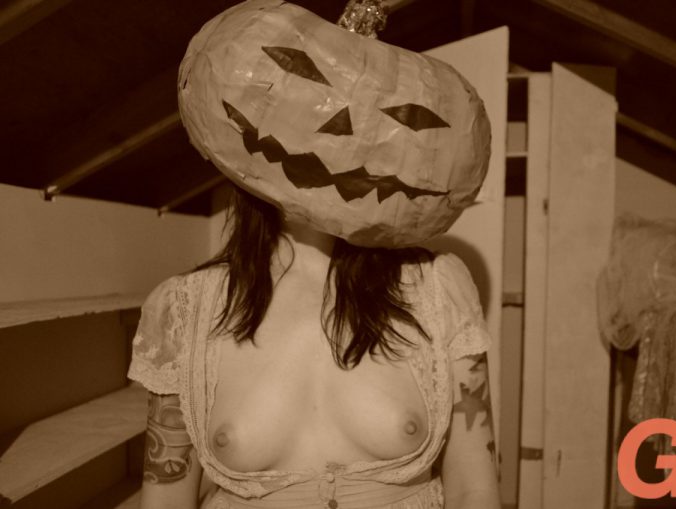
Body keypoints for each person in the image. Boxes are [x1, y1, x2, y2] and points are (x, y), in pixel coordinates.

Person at [128, 1, 500, 506]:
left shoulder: (438, 288)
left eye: (394, 120)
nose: (340, 134)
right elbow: (165, 499)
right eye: (303, 83)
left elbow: (474, 488)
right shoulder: (182, 310)